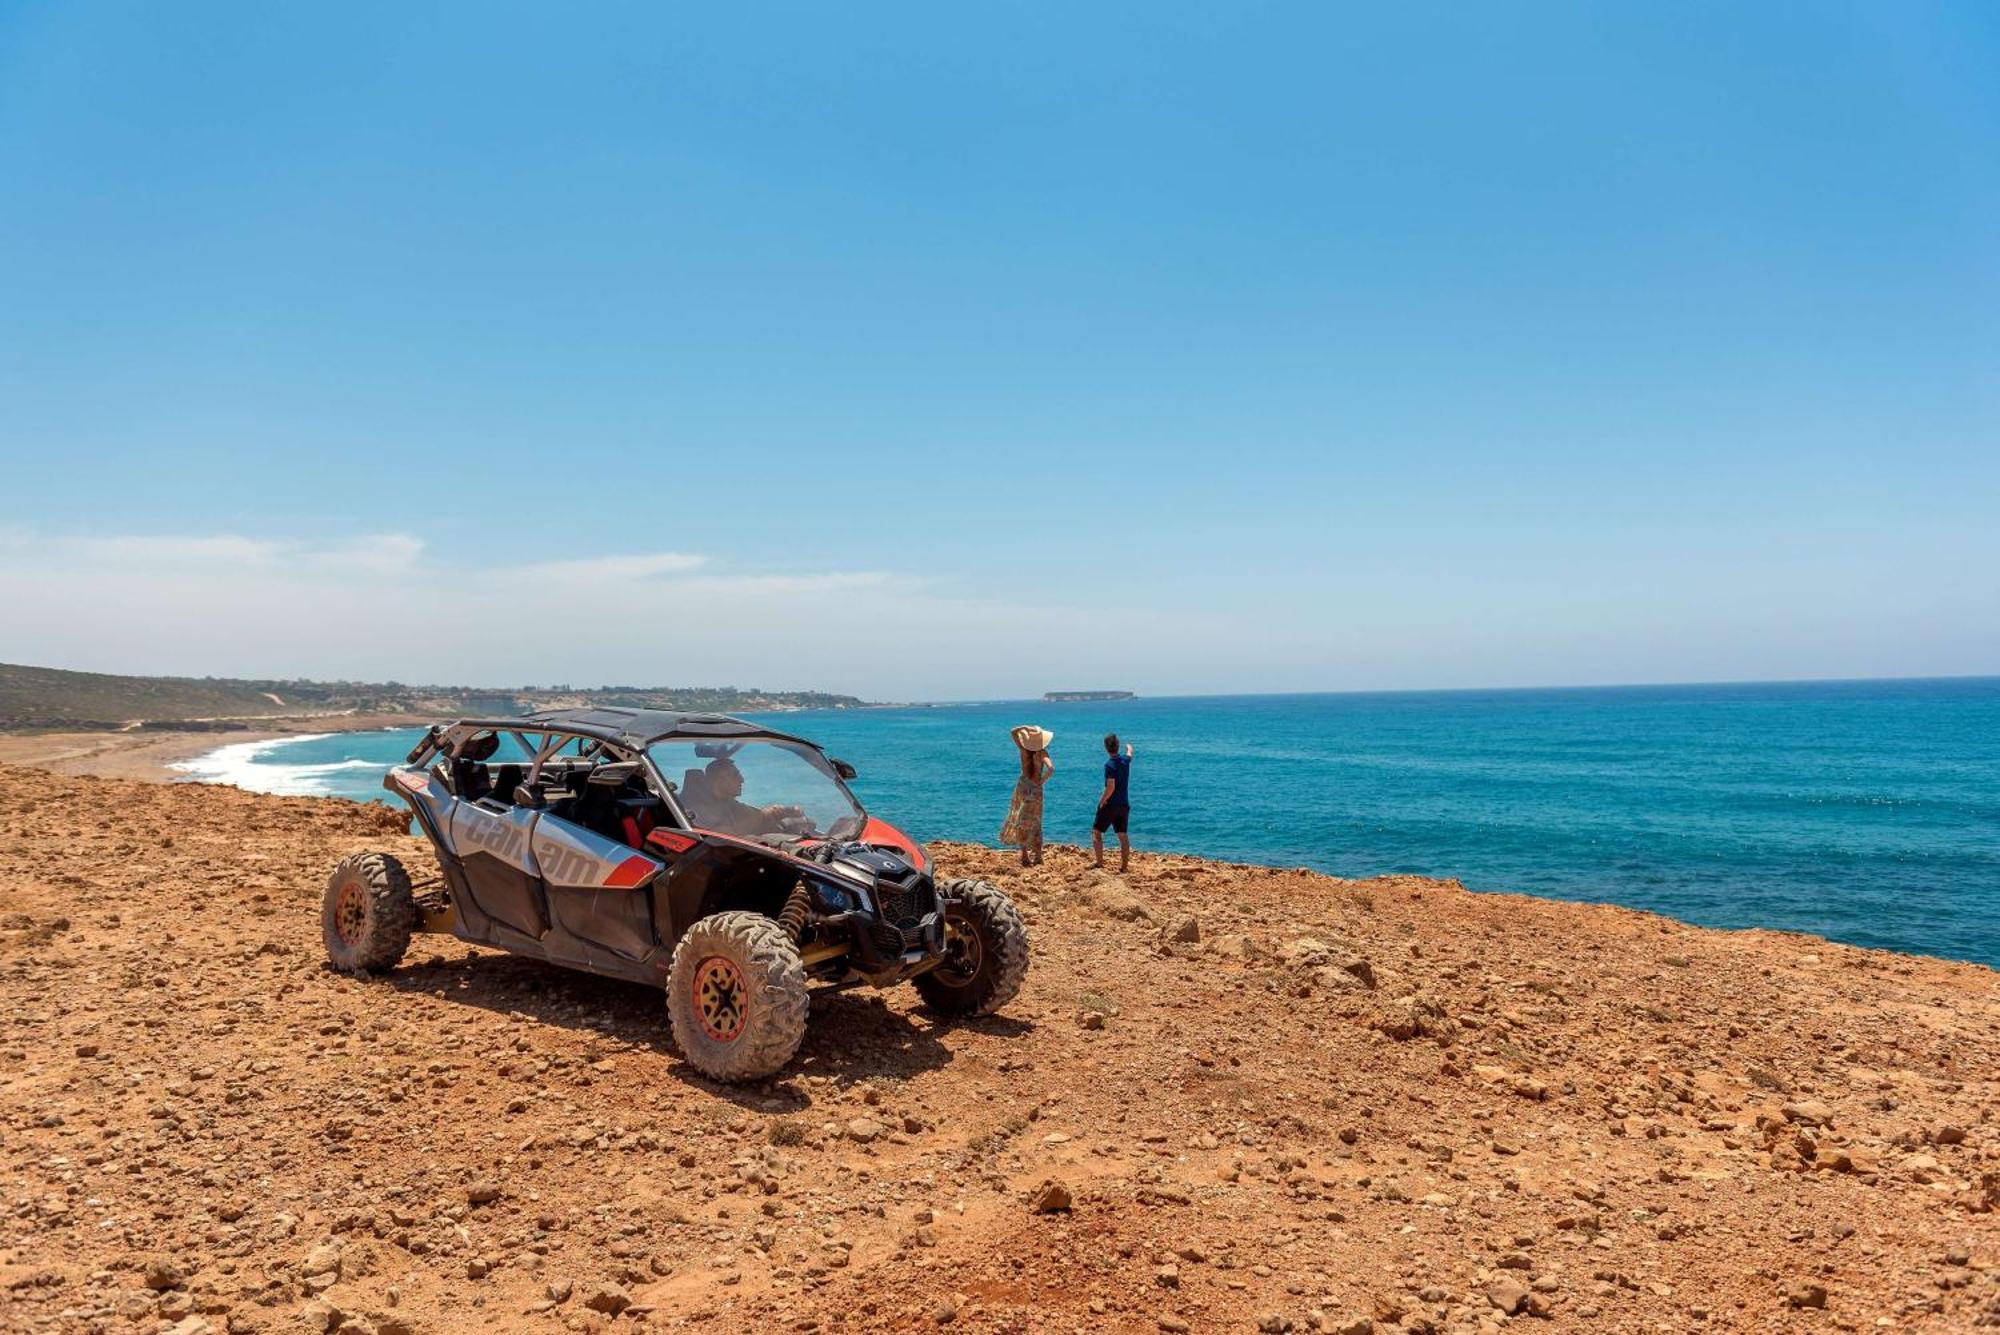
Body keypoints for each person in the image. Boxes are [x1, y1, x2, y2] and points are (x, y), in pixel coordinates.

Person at [688, 757, 797, 838]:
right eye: (735, 775)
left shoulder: (725, 802)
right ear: (718, 779)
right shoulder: (701, 811)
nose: (742, 780)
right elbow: (729, 838)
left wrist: (777, 812)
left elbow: (757, 816)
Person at [999, 725, 1054, 867]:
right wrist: (1042, 781)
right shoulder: (1042, 753)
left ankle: (1024, 856)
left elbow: (1012, 731)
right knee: (1036, 820)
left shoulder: (1024, 750)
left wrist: (1025, 727)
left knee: (1022, 820)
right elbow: (1051, 768)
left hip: (1023, 786)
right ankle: (1038, 856)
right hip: (1036, 789)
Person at [1092, 732, 1133, 872]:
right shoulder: (1125, 761)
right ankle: (1124, 867)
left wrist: (1101, 801)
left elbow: (1110, 787)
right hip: (1124, 804)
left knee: (1096, 832)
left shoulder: (1109, 765)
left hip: (1111, 804)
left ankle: (1099, 863)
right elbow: (1129, 753)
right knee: (1122, 835)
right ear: (1118, 746)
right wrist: (1128, 747)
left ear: (1106, 748)